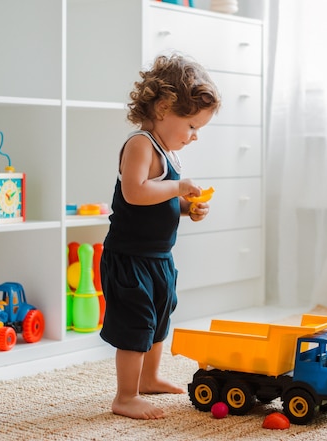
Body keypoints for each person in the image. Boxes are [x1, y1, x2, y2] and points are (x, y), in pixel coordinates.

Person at [99, 53, 221, 420]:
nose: (195, 136)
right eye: (192, 126)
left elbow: (158, 203)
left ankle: (150, 377)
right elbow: (136, 193)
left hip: (158, 257)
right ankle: (125, 395)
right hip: (129, 257)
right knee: (136, 322)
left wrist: (187, 207)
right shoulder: (140, 145)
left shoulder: (168, 151)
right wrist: (178, 187)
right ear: (165, 107)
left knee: (159, 317)